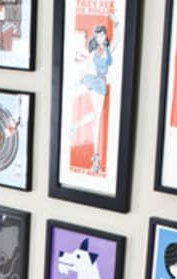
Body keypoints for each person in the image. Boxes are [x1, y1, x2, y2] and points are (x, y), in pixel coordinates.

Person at [70, 18, 119, 174]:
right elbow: (86, 66)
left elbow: (117, 39)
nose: (101, 38)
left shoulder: (108, 49)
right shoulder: (96, 51)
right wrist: (78, 78)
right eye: (98, 36)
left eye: (102, 35)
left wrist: (117, 25)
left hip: (99, 83)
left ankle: (94, 155)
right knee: (95, 119)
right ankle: (95, 156)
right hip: (95, 82)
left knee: (95, 118)